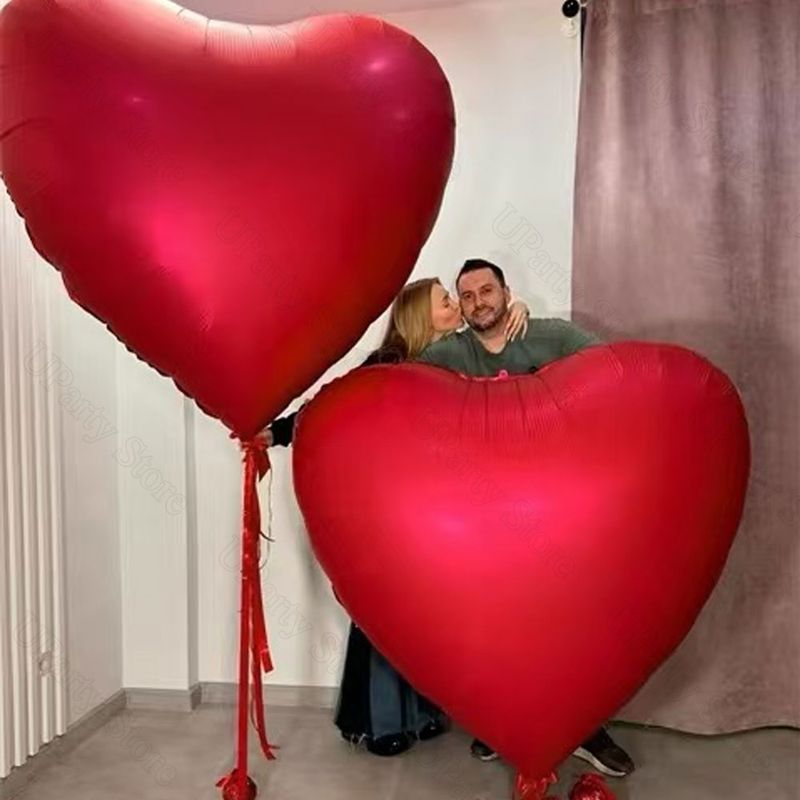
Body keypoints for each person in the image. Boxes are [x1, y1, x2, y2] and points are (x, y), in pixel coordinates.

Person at [266, 276, 530, 757]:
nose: (456, 307)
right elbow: (331, 404)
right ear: (421, 316)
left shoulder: (452, 359)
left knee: (424, 614)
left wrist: (520, 310)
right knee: (384, 613)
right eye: (447, 302)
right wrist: (279, 432)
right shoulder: (388, 363)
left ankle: (422, 713)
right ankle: (377, 720)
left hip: (431, 513)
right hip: (381, 513)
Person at [415, 258, 635, 778]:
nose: (478, 302)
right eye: (467, 296)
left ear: (506, 292)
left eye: (486, 291)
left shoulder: (549, 336)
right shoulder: (449, 353)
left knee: (570, 626)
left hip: (559, 517)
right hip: (484, 520)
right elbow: (383, 386)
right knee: (496, 626)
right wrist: (284, 429)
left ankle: (586, 728)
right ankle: (501, 724)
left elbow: (616, 372)